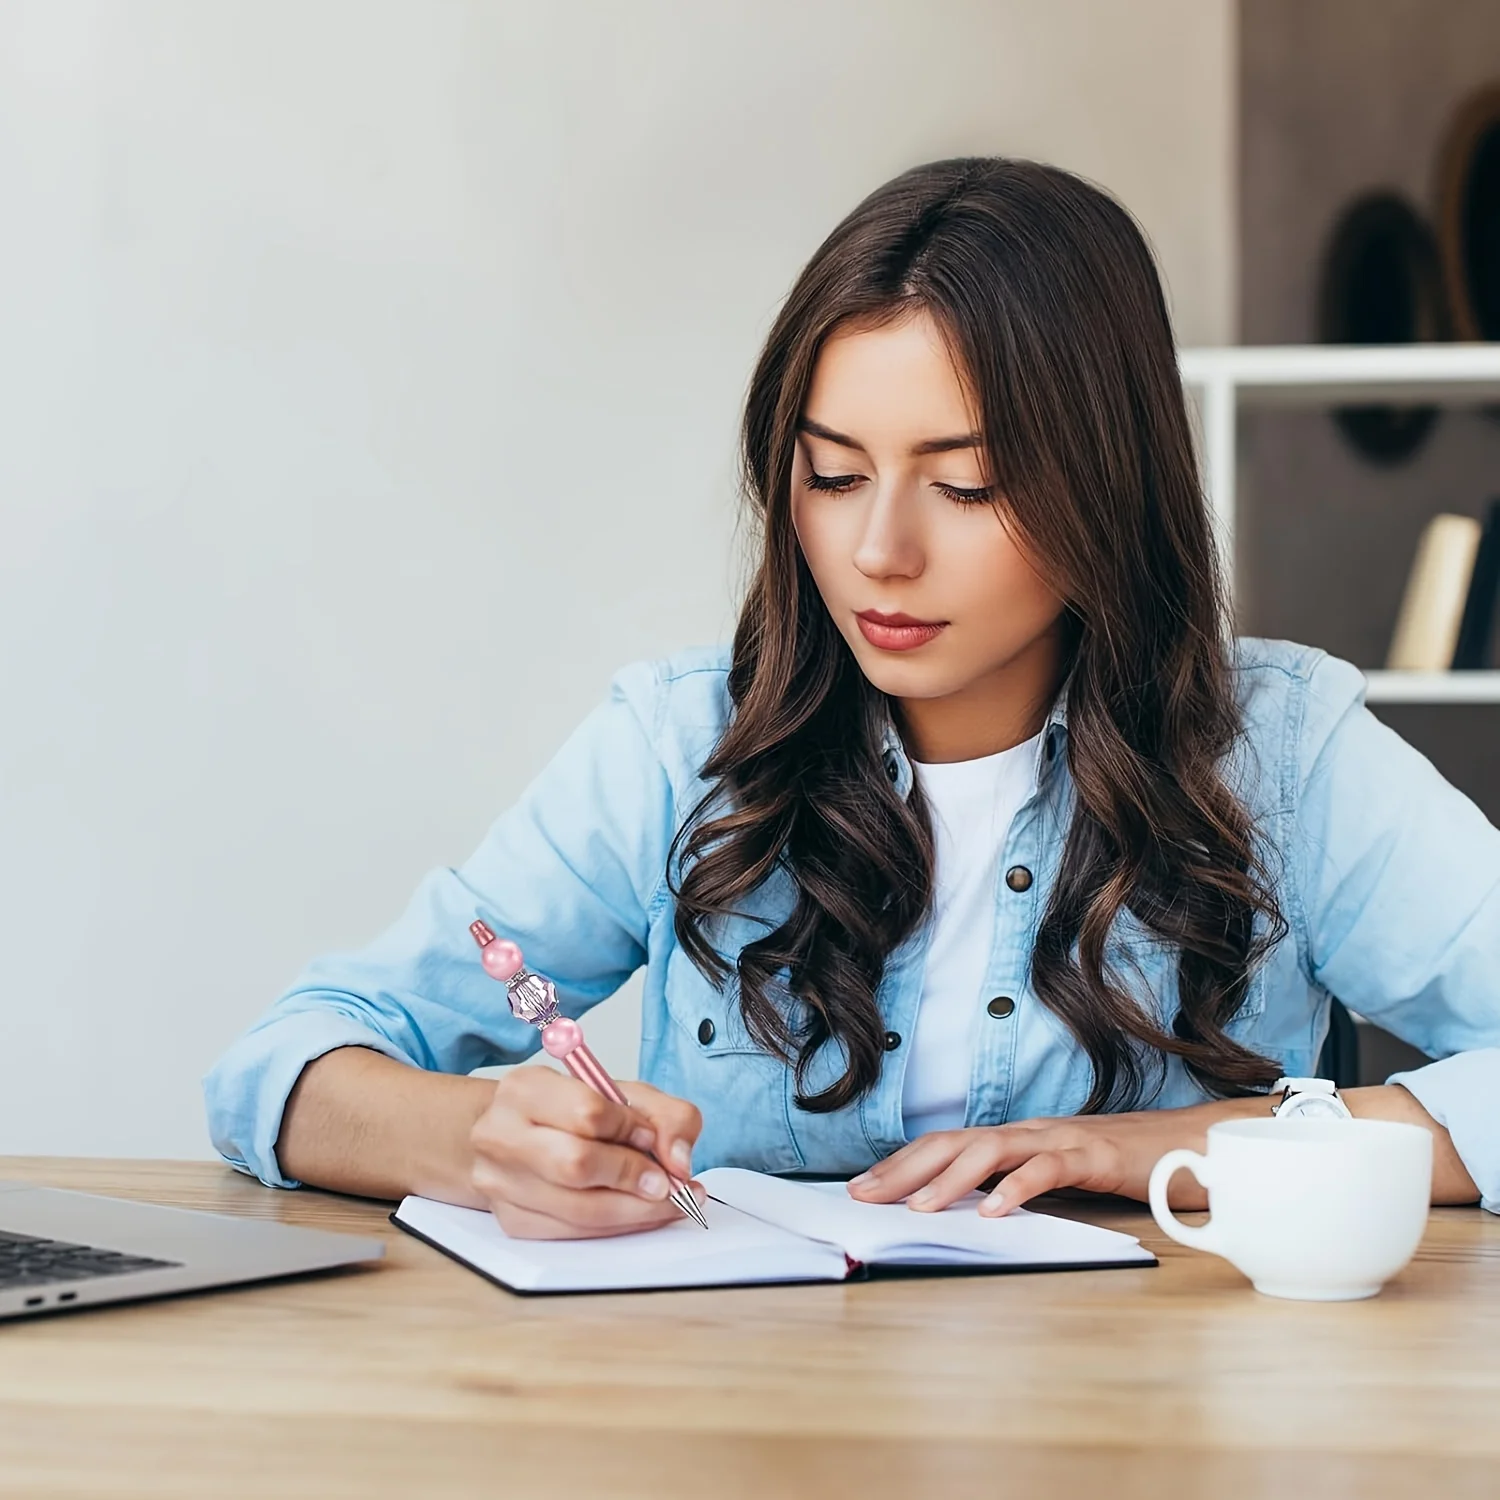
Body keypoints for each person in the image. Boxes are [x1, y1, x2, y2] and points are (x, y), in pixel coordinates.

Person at [205, 157, 1497, 1240]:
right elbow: (286, 1063)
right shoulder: (679, 748)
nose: (879, 551)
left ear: (1107, 484)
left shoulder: (1282, 756)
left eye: (968, 484)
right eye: (832, 476)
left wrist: (1158, 1148)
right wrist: (483, 1138)